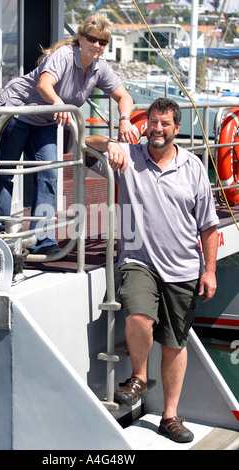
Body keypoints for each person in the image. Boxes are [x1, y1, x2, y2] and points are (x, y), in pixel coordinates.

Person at [85, 98, 219, 443]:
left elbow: (208, 227)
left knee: (175, 344)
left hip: (183, 268)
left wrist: (210, 271)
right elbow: (84, 142)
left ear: (176, 129)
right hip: (139, 261)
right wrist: (112, 143)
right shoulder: (128, 157)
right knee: (138, 317)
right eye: (153, 123)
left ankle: (170, 417)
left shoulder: (193, 168)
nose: (157, 129)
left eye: (165, 124)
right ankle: (140, 377)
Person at [0, 12, 134, 255]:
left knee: (49, 175)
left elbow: (124, 96)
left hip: (44, 119)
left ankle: (43, 239)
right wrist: (58, 102)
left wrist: (125, 120)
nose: (96, 45)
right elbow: (44, 84)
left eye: (103, 42)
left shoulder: (100, 67)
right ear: (81, 38)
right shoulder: (65, 55)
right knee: (4, 172)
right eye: (92, 39)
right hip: (14, 111)